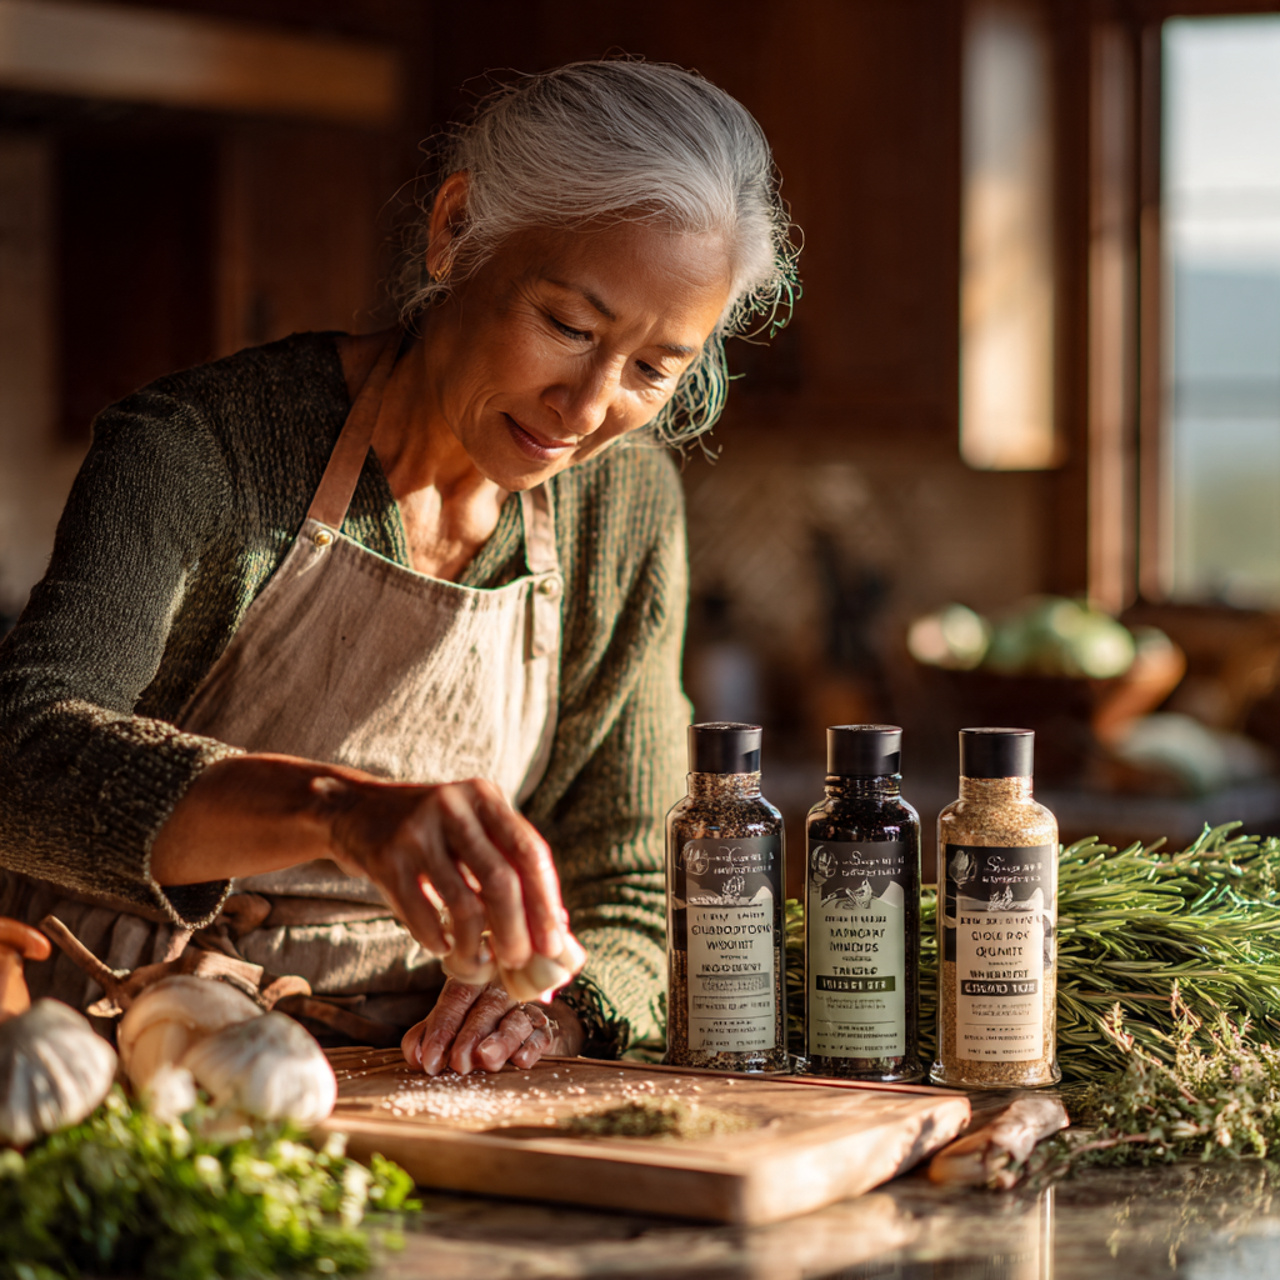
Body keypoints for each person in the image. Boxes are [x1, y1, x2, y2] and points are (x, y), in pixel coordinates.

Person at [0, 58, 798, 1075]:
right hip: (122, 1053)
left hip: (418, 1075)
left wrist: (552, 1012)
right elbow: (18, 758)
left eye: (651, 367)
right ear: (456, 229)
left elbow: (634, 880)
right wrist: (342, 811)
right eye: (567, 325)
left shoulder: (621, 502)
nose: (588, 406)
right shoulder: (205, 448)